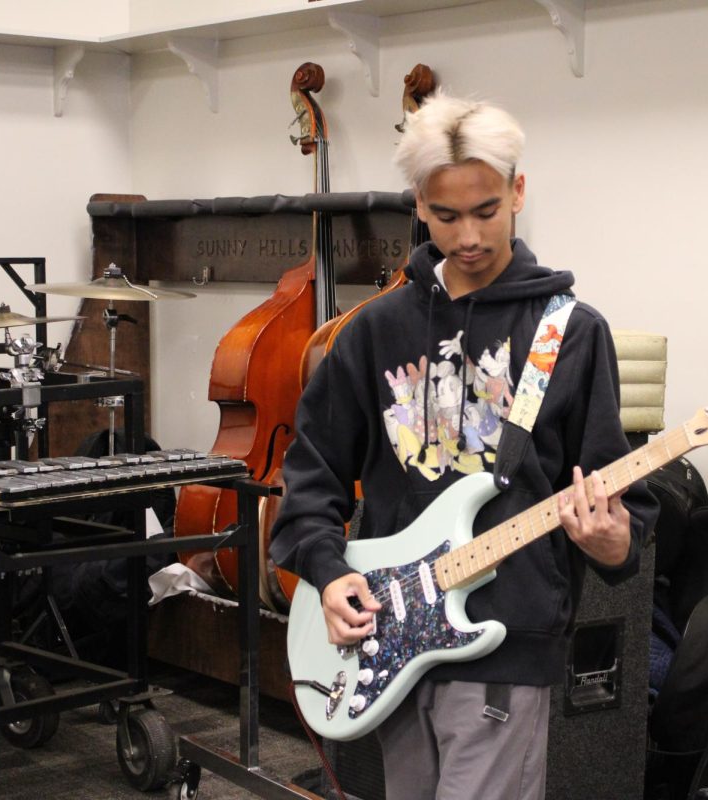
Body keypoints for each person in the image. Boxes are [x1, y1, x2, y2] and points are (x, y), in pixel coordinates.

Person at [270, 93, 660, 800]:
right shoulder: (372, 331)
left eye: (486, 210)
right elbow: (313, 472)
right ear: (419, 203)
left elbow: (622, 508)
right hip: (384, 636)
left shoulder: (570, 334)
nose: (469, 235)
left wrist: (610, 541)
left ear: (517, 190)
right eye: (447, 216)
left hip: (504, 642)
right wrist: (327, 575)